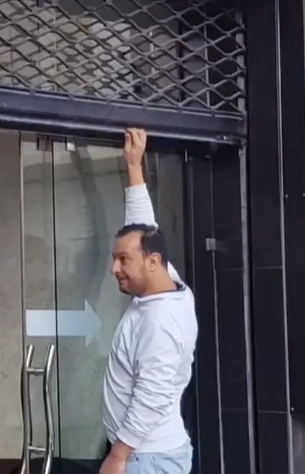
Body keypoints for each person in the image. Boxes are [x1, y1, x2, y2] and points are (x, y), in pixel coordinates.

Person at [99, 129, 198, 474]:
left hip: (145, 460)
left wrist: (118, 456)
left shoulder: (160, 322)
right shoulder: (167, 281)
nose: (114, 269)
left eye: (123, 260)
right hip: (148, 455)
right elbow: (143, 227)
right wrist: (133, 164)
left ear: (152, 262)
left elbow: (151, 395)